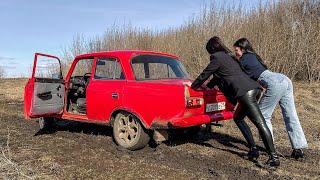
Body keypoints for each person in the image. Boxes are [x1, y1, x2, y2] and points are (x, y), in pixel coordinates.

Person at [191, 36, 280, 167]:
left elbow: (205, 74)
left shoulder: (216, 58)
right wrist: (208, 86)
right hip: (253, 90)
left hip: (246, 92)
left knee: (259, 123)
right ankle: (253, 149)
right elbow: (217, 77)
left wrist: (193, 86)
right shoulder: (230, 58)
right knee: (238, 117)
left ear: (211, 49)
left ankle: (274, 158)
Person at [233, 38, 308, 159]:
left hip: (273, 82)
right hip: (283, 79)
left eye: (236, 50)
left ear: (242, 49)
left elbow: (241, 78)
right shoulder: (254, 56)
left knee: (262, 116)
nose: (235, 53)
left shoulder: (243, 59)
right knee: (291, 115)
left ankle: (270, 146)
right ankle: (298, 149)